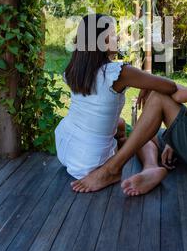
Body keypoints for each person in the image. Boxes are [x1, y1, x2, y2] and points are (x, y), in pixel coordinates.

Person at [71, 11, 187, 195]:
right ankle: (151, 169)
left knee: (159, 97)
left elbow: (179, 95)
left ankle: (111, 169)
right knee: (145, 132)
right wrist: (176, 139)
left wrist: (151, 83)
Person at [55, 14, 177, 180]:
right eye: (112, 34)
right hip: (92, 160)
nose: (118, 37)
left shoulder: (74, 70)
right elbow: (170, 86)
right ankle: (120, 170)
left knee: (120, 124)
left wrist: (146, 85)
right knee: (139, 133)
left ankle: (143, 163)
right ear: (101, 41)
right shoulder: (117, 72)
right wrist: (148, 85)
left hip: (65, 148)